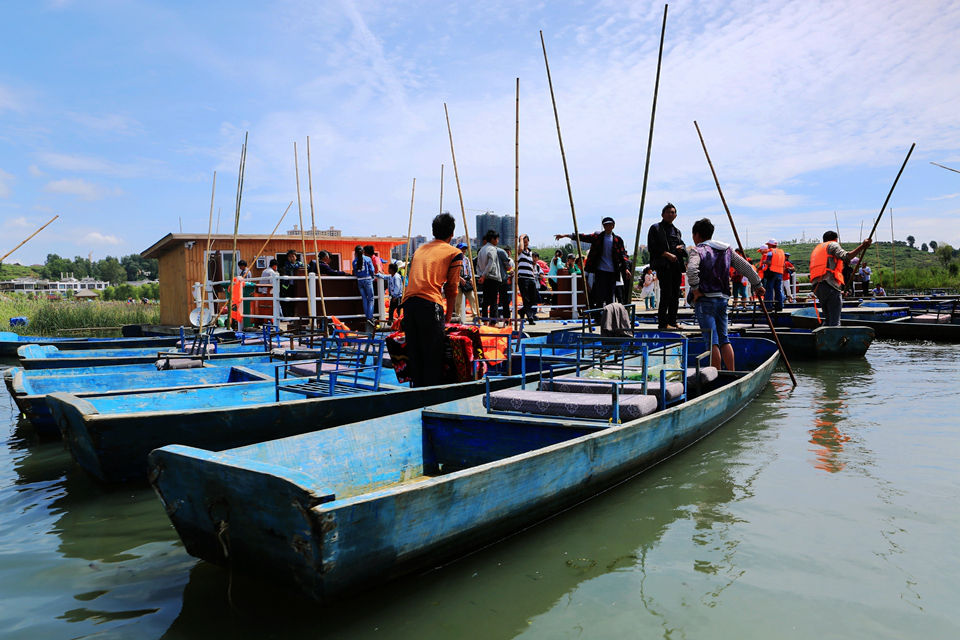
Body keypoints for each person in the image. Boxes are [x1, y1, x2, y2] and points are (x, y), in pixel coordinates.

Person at [687, 218, 764, 371]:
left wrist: (695, 289)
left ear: (696, 235)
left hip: (705, 299)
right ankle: (731, 372)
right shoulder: (727, 250)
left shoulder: (698, 250)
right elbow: (747, 268)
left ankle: (716, 375)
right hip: (722, 299)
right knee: (724, 339)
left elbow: (691, 270)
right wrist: (758, 284)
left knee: (712, 342)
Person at [401, 212, 462, 387]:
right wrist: (448, 319)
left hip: (409, 304)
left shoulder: (420, 249)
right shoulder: (454, 253)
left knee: (416, 354)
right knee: (434, 355)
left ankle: (417, 394)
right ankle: (431, 398)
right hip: (429, 304)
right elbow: (451, 290)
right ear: (451, 234)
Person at [555, 216, 631, 309]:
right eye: (605, 226)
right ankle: (598, 316)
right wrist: (566, 236)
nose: (607, 228)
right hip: (600, 270)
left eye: (609, 225)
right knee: (600, 295)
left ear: (613, 226)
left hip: (612, 271)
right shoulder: (598, 237)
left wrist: (626, 269)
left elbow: (623, 255)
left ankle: (609, 316)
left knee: (610, 296)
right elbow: (582, 237)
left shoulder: (618, 240)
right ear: (603, 226)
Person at [810, 230, 872, 326]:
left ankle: (825, 338)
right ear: (835, 239)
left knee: (828, 319)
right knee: (835, 321)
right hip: (829, 285)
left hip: (818, 287)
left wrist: (839, 291)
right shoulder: (833, 245)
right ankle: (834, 339)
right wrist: (863, 246)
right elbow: (846, 257)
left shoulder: (817, 249)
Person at [647, 203, 687, 329]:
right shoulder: (656, 228)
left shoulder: (677, 231)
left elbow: (684, 246)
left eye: (673, 212)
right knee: (666, 294)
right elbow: (652, 247)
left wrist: (682, 249)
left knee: (675, 295)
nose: (671, 214)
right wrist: (666, 254)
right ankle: (663, 323)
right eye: (668, 212)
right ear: (662, 214)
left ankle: (673, 321)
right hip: (664, 266)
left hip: (676, 266)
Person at [476, 230, 502, 319]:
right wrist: (484, 274)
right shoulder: (493, 249)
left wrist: (481, 275)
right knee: (493, 301)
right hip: (492, 277)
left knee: (485, 300)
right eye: (497, 239)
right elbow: (491, 263)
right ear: (492, 239)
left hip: (484, 278)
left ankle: (485, 320)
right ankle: (493, 321)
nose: (497, 241)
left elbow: (477, 266)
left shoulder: (481, 250)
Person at [516, 234, 541, 324]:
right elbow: (521, 249)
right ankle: (530, 317)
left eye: (526, 241)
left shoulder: (530, 253)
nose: (525, 243)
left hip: (531, 277)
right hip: (523, 277)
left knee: (534, 299)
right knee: (525, 298)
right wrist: (521, 238)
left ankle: (522, 311)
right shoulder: (520, 251)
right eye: (524, 242)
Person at [454, 242, 480, 323]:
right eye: (462, 249)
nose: (464, 251)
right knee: (458, 301)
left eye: (464, 249)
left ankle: (475, 315)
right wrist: (460, 279)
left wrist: (472, 278)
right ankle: (458, 318)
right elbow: (454, 272)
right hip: (459, 282)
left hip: (467, 281)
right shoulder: (455, 259)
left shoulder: (467, 259)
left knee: (472, 298)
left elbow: (470, 270)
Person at [352, 244, 376, 327]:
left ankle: (367, 317)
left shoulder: (354, 261)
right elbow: (372, 269)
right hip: (367, 280)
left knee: (364, 299)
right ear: (363, 252)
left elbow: (355, 271)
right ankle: (370, 317)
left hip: (359, 281)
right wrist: (373, 277)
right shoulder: (368, 259)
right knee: (371, 299)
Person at [759, 238, 786, 312]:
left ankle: (768, 306)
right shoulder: (781, 252)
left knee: (769, 290)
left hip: (772, 272)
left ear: (771, 245)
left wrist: (763, 262)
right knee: (778, 290)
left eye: (768, 245)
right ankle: (779, 306)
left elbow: (768, 262)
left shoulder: (771, 252)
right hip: (780, 273)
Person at [279, 250, 303, 319]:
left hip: (297, 286)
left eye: (293, 256)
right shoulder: (287, 264)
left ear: (296, 257)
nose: (291, 258)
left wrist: (299, 264)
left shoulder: (299, 263)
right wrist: (299, 265)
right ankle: (289, 317)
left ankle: (296, 316)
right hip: (288, 286)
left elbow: (307, 266)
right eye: (290, 256)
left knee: (296, 302)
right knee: (288, 302)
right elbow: (292, 267)